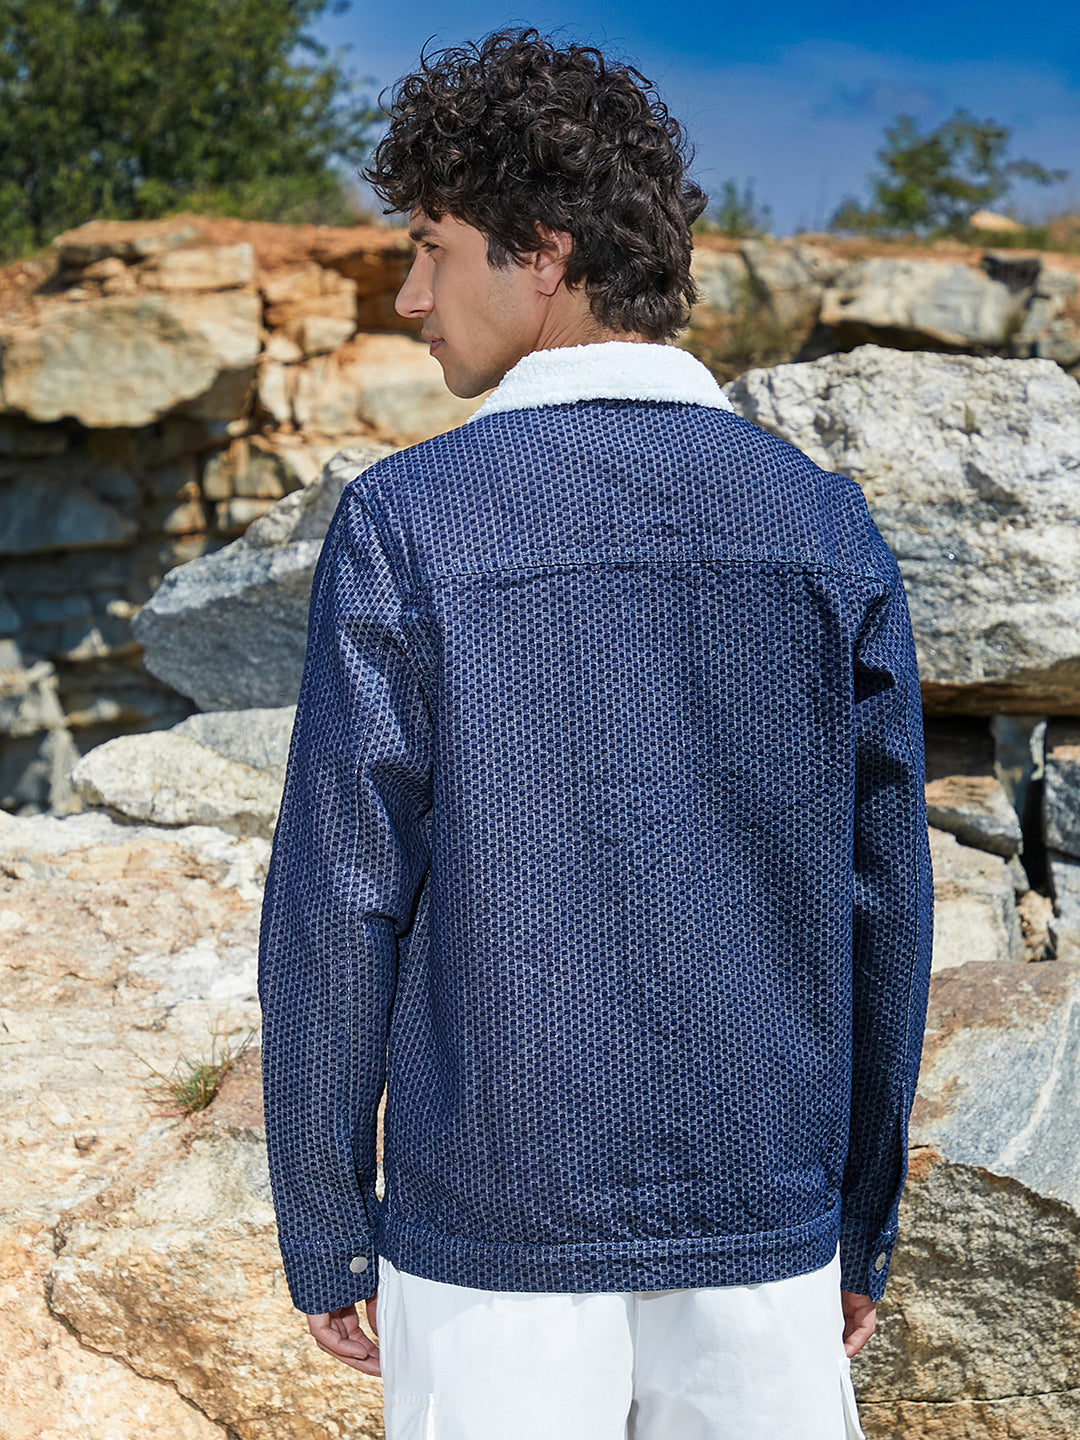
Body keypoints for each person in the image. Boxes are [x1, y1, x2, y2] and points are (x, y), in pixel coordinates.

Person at [258, 28, 933, 1440]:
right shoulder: (823, 525)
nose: (408, 297)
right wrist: (857, 1220)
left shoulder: (408, 525)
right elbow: (885, 900)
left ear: (545, 254)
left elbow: (341, 895)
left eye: (431, 248)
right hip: (764, 1215)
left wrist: (326, 1219)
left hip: (490, 1228)